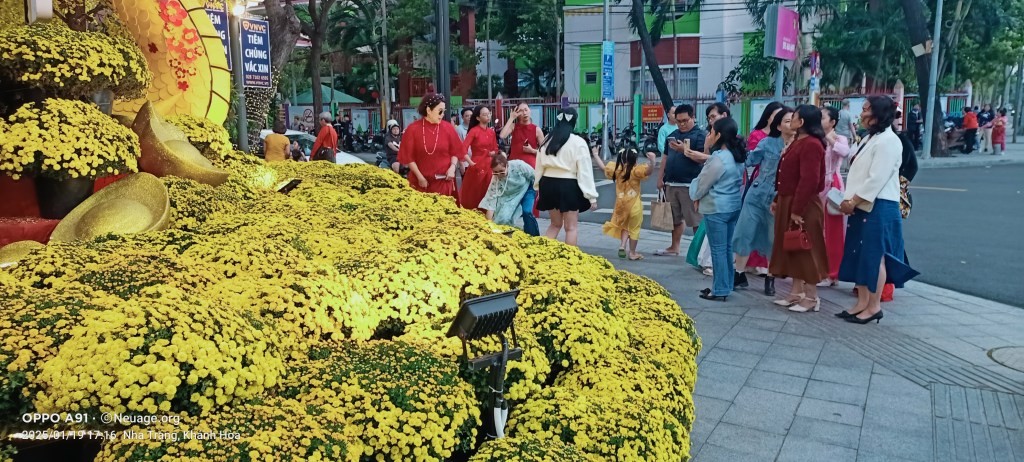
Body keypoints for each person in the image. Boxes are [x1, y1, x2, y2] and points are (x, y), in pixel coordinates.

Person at [836, 96, 918, 324]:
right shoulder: (870, 138)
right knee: (860, 254)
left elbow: (876, 179)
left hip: (878, 205)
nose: (861, 115)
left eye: (865, 110)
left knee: (875, 256)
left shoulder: (889, 141)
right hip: (862, 204)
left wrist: (852, 201)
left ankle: (873, 306)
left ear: (879, 114)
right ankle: (861, 303)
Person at [769, 104, 830, 313]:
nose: (790, 120)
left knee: (806, 248)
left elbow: (809, 180)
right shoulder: (798, 141)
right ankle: (796, 293)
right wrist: (778, 199)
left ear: (802, 122)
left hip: (803, 204)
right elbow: (786, 176)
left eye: (793, 117)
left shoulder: (812, 144)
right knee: (792, 246)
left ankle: (812, 297)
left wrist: (797, 209)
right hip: (789, 200)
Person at [733, 107, 792, 296]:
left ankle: (770, 276)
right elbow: (749, 161)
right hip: (756, 193)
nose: (791, 124)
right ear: (779, 125)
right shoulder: (767, 143)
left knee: (772, 238)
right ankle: (738, 273)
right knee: (744, 232)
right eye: (787, 121)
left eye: (794, 120)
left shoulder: (800, 146)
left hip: (778, 199)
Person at [689, 117, 745, 301]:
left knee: (718, 250)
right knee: (727, 248)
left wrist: (696, 196)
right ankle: (726, 284)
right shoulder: (737, 156)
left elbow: (703, 183)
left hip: (717, 208)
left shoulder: (719, 159)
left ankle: (720, 289)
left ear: (719, 135)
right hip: (733, 206)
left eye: (711, 132)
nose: (709, 135)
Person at [535, 107, 598, 247]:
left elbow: (539, 166)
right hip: (568, 185)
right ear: (574, 122)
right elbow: (585, 171)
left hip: (547, 183)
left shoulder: (546, 140)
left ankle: (541, 255)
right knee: (571, 228)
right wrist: (591, 196)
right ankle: (570, 262)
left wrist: (538, 186)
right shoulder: (578, 142)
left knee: (555, 225)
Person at [739, 102, 785, 277]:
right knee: (751, 227)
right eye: (777, 115)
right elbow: (750, 159)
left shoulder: (793, 142)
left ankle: (770, 272)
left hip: (779, 190)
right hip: (761, 185)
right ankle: (743, 269)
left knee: (772, 232)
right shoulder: (761, 138)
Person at [654, 104, 706, 256]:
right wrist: (660, 178)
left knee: (695, 219)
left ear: (693, 118)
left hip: (690, 184)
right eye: (678, 121)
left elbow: (702, 159)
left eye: (685, 120)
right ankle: (674, 247)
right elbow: (665, 157)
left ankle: (699, 252)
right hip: (671, 183)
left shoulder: (700, 135)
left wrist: (684, 150)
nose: (682, 124)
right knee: (674, 218)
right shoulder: (674, 134)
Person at [590, 145, 656, 261]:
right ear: (635, 159)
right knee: (634, 228)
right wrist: (652, 161)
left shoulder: (617, 170)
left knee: (625, 226)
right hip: (634, 204)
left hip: (621, 204)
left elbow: (603, 168)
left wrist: (595, 154)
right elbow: (648, 172)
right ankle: (632, 253)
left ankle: (622, 245)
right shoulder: (636, 170)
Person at [396, 93, 466, 201]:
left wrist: (452, 168)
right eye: (440, 111)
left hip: (444, 181)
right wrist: (420, 177)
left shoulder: (448, 128)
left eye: (444, 111)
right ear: (428, 110)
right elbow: (409, 157)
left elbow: (455, 151)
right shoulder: (412, 129)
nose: (442, 114)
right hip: (421, 181)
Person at [818, 106, 851, 287]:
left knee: (833, 231)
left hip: (832, 185)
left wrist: (830, 140)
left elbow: (844, 152)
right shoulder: (815, 137)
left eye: (822, 117)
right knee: (818, 229)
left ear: (832, 122)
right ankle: (821, 269)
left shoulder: (839, 138)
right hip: (817, 186)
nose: (819, 120)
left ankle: (832, 273)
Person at [500, 103, 545, 218]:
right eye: (521, 111)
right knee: (511, 203)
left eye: (526, 110)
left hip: (530, 170)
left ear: (530, 111)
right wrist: (511, 118)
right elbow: (502, 135)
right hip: (514, 170)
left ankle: (529, 227)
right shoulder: (514, 127)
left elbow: (545, 151)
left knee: (528, 205)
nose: (524, 113)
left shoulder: (536, 130)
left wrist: (532, 151)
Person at [479, 155, 536, 233]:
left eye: (501, 171)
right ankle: (508, 235)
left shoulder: (519, 165)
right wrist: (489, 224)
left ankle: (533, 235)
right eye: (495, 172)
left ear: (507, 166)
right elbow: (491, 201)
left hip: (527, 188)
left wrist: (539, 191)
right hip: (509, 195)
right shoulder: (495, 179)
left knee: (527, 211)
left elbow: (535, 176)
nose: (498, 174)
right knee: (503, 218)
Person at [460, 105, 501, 211]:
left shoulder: (491, 132)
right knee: (476, 193)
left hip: (490, 165)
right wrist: (470, 163)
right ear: (478, 118)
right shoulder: (474, 131)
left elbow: (496, 149)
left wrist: (492, 153)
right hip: (477, 165)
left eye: (489, 113)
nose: (488, 116)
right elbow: (463, 149)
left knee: (489, 191)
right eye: (484, 114)